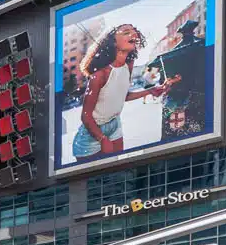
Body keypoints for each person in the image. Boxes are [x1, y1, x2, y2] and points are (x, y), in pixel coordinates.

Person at [72, 24, 179, 162]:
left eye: (134, 31)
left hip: (114, 124)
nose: (133, 34)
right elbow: (86, 116)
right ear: (113, 42)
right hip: (92, 133)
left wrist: (150, 91)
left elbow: (124, 95)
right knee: (95, 178)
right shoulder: (99, 75)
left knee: (116, 170)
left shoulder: (128, 65)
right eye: (126, 32)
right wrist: (102, 139)